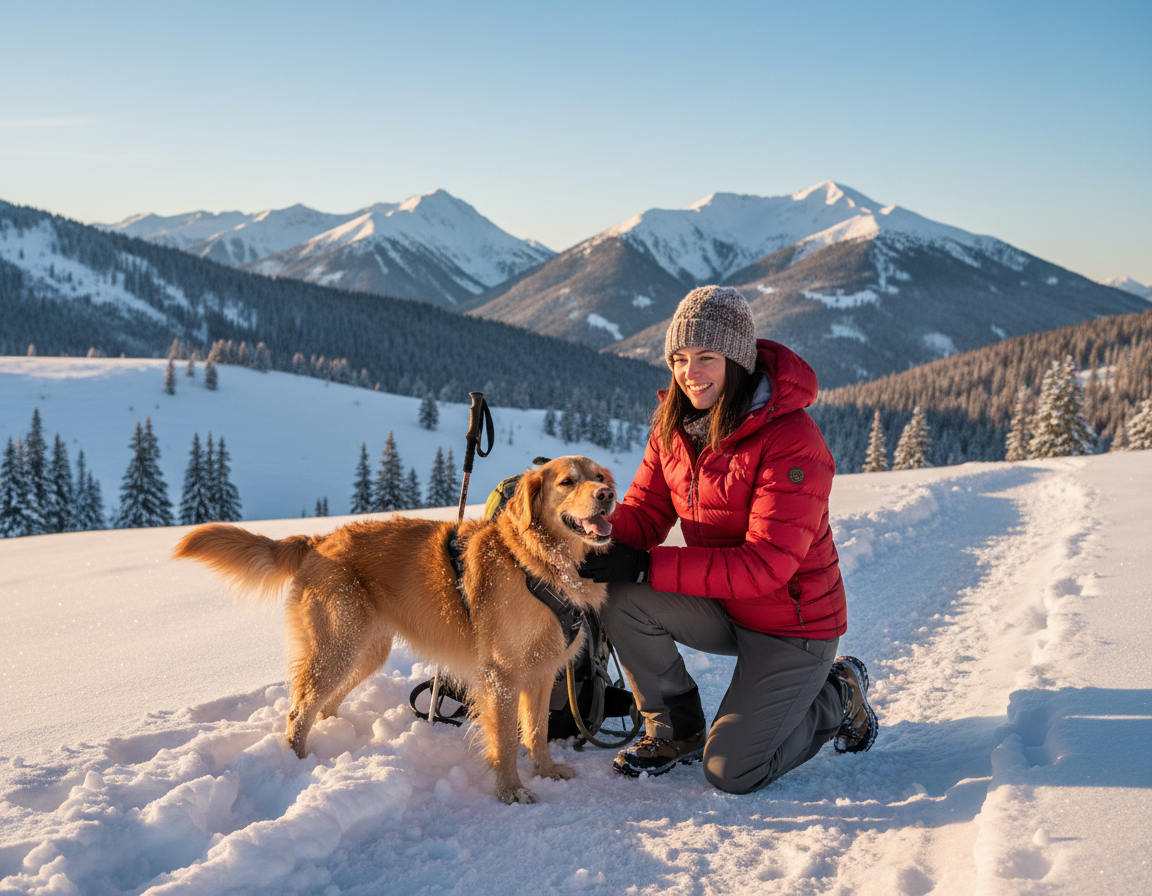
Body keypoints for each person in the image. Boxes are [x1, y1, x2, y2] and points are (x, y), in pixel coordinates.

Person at [578, 285, 876, 793]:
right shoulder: (675, 425)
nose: (690, 373)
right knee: (621, 595)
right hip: (724, 605)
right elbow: (648, 516)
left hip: (792, 626)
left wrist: (647, 566)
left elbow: (766, 565)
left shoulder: (791, 440)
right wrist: (594, 525)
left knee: (733, 771)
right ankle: (677, 728)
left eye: (706, 358)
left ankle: (836, 694)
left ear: (736, 360)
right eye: (679, 358)